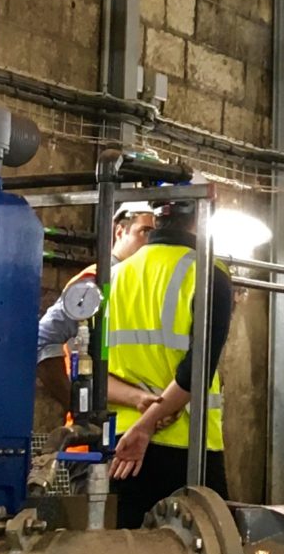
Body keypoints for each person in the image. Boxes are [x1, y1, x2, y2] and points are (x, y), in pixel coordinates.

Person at [102, 203, 236, 528]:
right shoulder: (208, 274)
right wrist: (147, 425)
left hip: (121, 447)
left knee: (126, 551)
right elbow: (197, 370)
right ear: (201, 219)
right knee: (211, 549)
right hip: (186, 446)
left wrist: (138, 415)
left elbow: (93, 373)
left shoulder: (113, 277)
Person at [36, 202, 157, 371]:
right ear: (120, 231)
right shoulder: (95, 280)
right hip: (92, 385)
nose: (152, 242)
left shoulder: (148, 284)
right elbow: (43, 339)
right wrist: (67, 389)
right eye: (145, 232)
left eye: (157, 235)